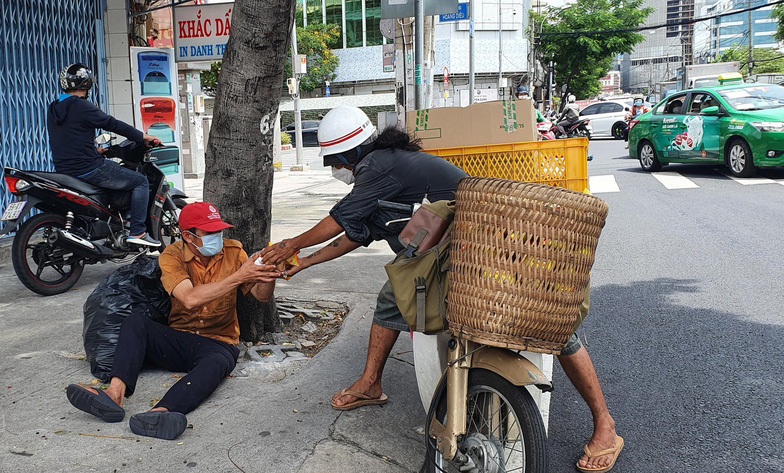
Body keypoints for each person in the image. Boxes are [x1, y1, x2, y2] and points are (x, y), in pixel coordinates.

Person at [262, 105, 623, 473]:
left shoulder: (378, 165)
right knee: (391, 297)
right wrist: (307, 262)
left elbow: (340, 217)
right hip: (446, 257)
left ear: (352, 151)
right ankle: (370, 383)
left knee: (554, 325)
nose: (333, 168)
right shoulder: (383, 174)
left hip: (484, 249)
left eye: (335, 160)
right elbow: (355, 232)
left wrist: (292, 244)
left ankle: (605, 426)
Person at [65, 202, 278, 440]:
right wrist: (239, 276)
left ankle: (160, 413)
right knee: (135, 323)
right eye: (210, 232)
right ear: (188, 236)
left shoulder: (234, 251)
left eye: (219, 231)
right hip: (179, 338)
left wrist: (268, 272)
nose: (218, 237)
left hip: (219, 342)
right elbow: (188, 299)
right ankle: (114, 394)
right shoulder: (172, 256)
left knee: (217, 362)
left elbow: (262, 295)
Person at [47, 63, 162, 247]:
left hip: (65, 170)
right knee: (140, 181)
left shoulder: (54, 108)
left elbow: (71, 138)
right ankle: (138, 232)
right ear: (86, 84)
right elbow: (112, 124)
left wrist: (96, 150)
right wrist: (142, 136)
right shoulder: (81, 106)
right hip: (89, 168)